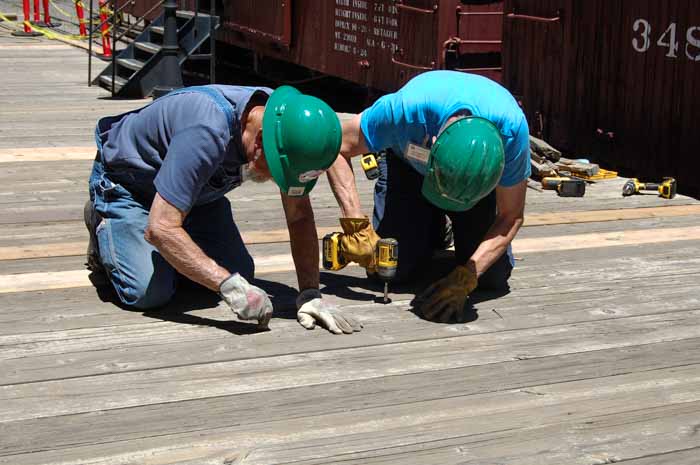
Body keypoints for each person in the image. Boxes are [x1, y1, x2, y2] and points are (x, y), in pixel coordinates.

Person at [85, 84, 361, 334]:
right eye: (276, 172)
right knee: (149, 293)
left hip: (195, 195)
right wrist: (227, 285)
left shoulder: (284, 122)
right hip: (128, 185)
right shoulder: (207, 130)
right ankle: (102, 224)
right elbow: (161, 227)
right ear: (260, 142)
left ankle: (166, 248)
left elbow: (299, 215)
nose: (278, 181)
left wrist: (310, 292)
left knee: (240, 271)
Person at [326, 71, 530, 322]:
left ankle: (434, 226)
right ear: (433, 140)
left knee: (491, 278)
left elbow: (511, 215)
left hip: (471, 187)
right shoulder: (405, 110)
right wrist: (355, 224)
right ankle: (431, 225)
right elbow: (335, 144)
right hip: (409, 165)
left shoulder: (511, 132)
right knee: (391, 271)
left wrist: (467, 276)